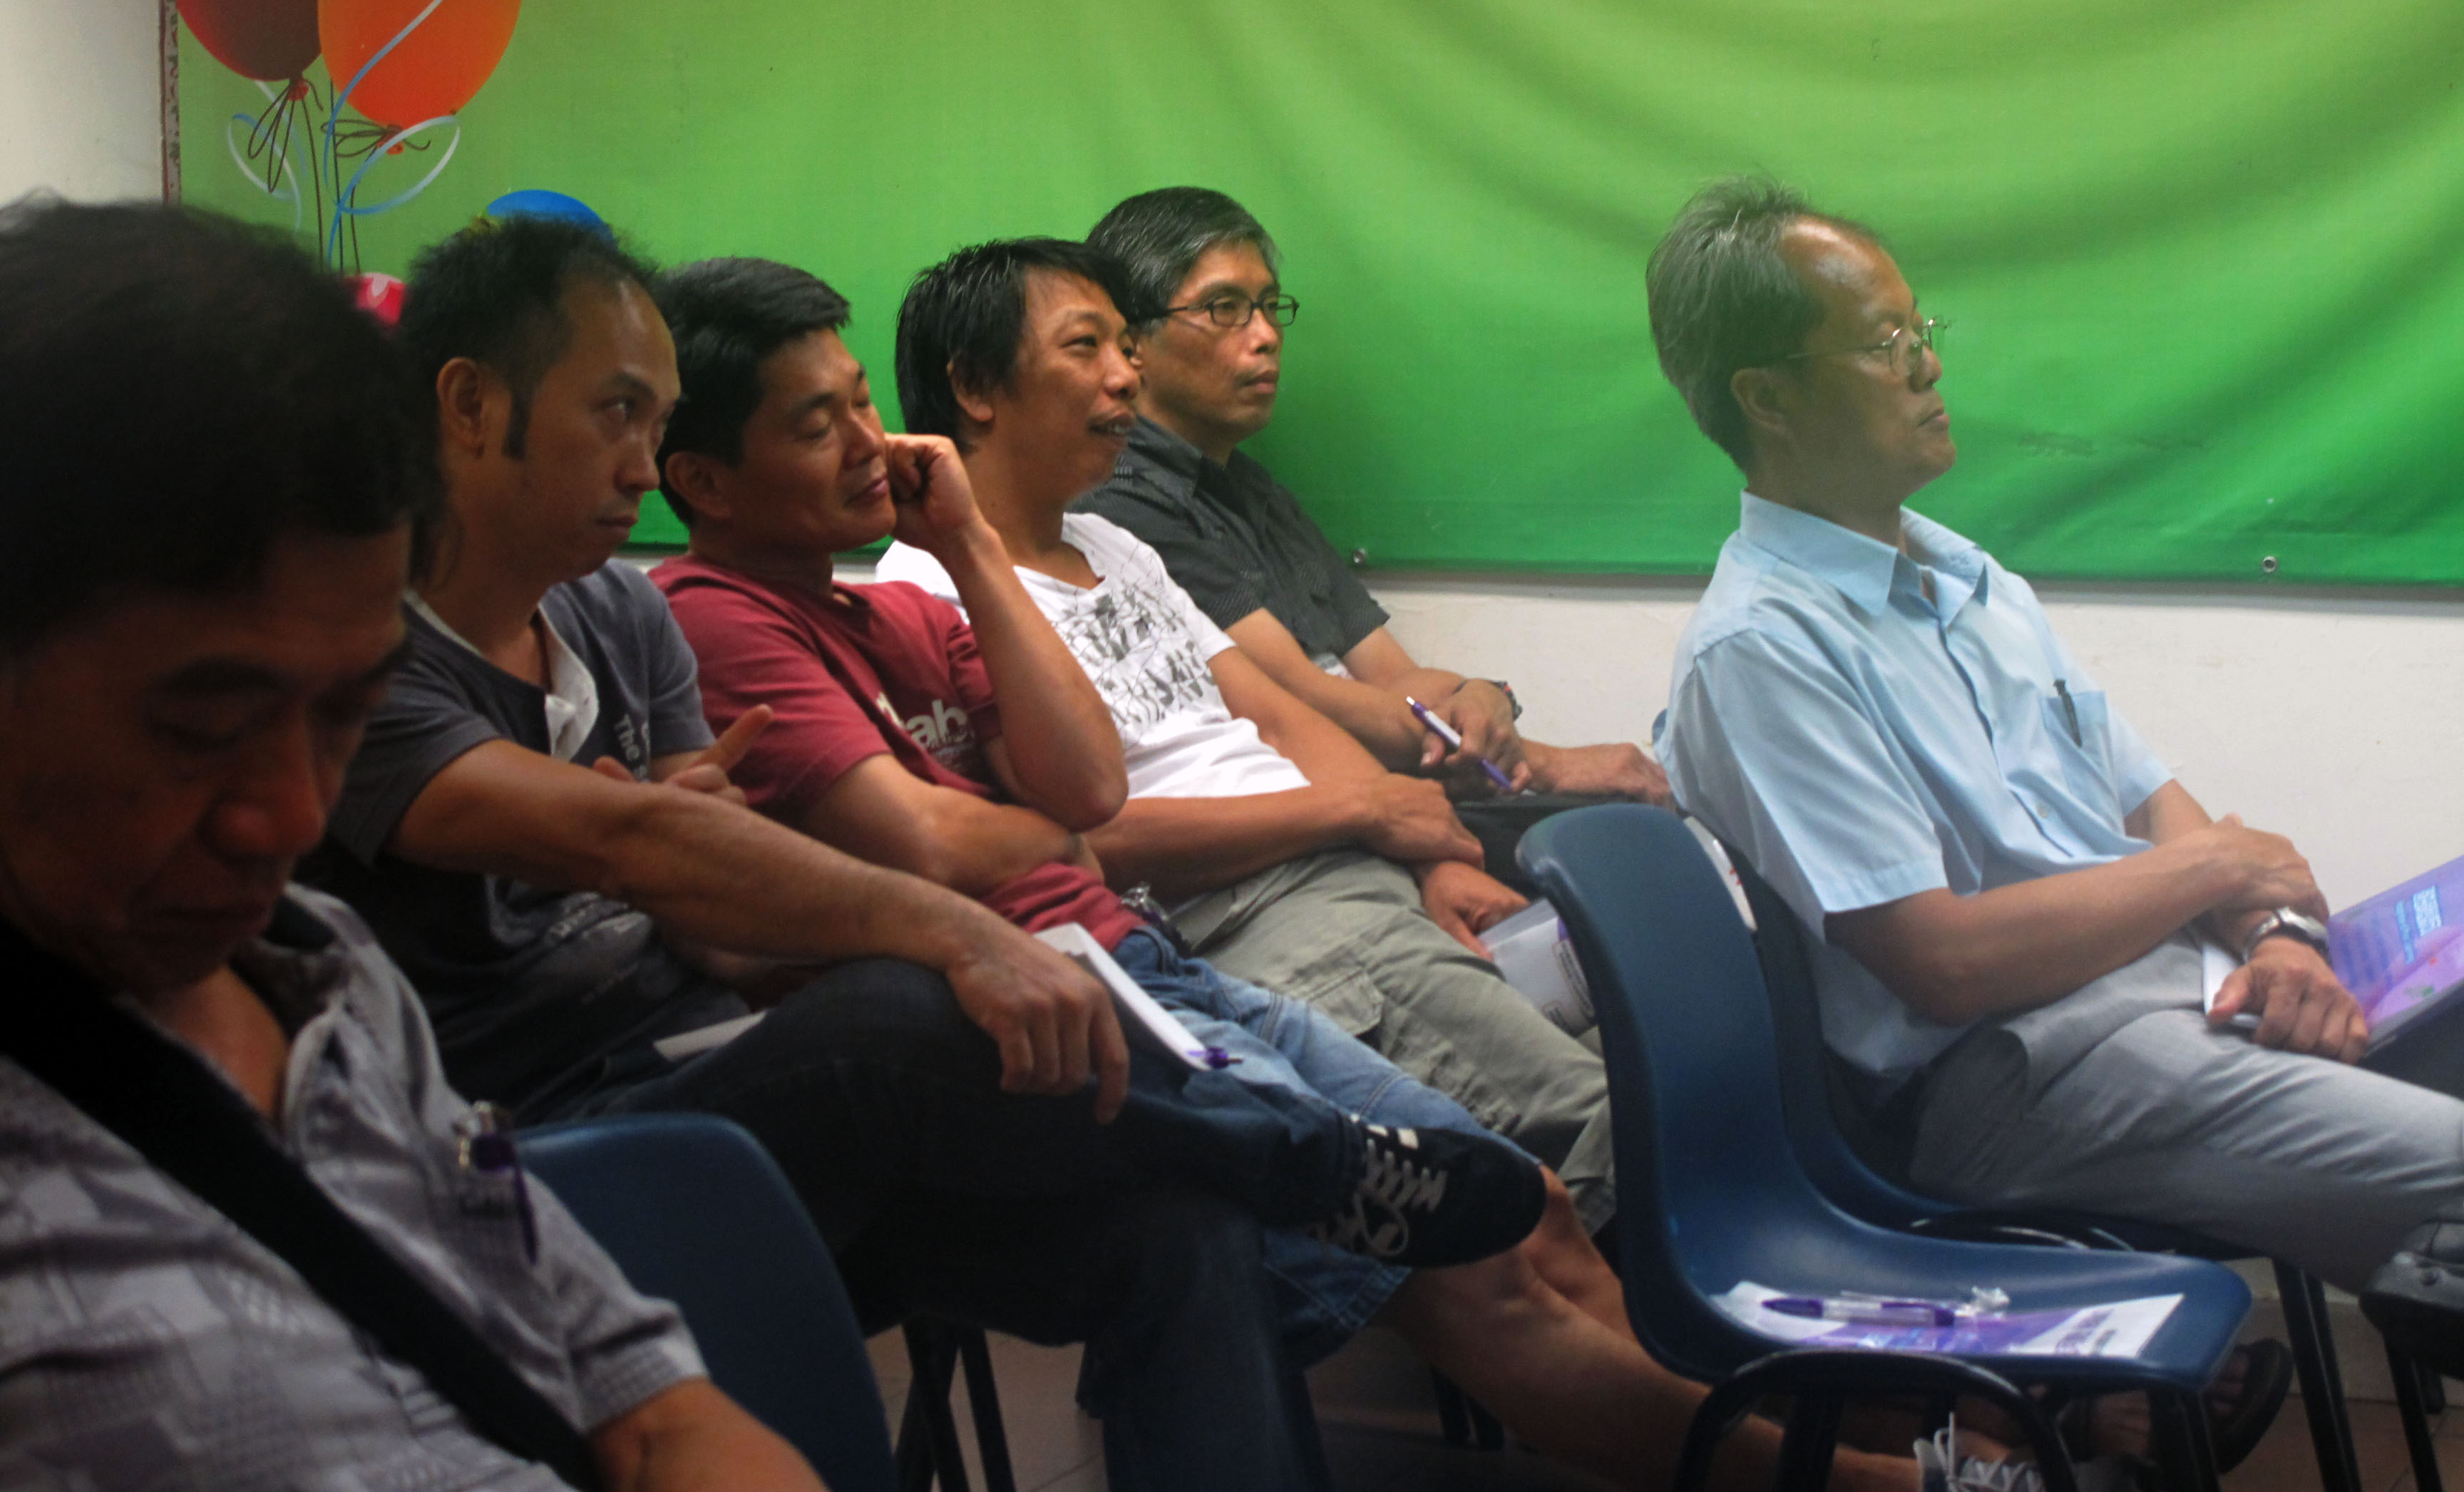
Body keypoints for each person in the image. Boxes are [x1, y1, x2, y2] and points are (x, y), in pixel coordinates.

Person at [650, 252, 1927, 1492]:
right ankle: (1877, 1456)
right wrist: (1051, 817)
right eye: (818, 424)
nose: (869, 443)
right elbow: (982, 839)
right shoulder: (728, 610)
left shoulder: (947, 596)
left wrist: (979, 564)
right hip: (1147, 951)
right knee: (1503, 1200)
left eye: (863, 405)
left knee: (1523, 1201)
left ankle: (1865, 1451)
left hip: (1151, 951)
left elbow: (1093, 791)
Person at [299, 215, 1397, 1492]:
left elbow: (713, 927)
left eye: (655, 420)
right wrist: (953, 926)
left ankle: (1269, 1154)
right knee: (905, 998)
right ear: (471, 406)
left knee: (1179, 1229)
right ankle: (1303, 1152)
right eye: (615, 413)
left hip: (727, 1085)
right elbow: (640, 840)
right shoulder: (360, 658)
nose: (643, 465)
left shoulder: (617, 615)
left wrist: (716, 862)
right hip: (531, 1151)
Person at [0, 198, 817, 1491]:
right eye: (201, 726)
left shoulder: (331, 979)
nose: (289, 816)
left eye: (344, 714)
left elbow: (653, 1409)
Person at [1643, 176, 2464, 1295]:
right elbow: (1945, 963)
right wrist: (2222, 871)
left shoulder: (1967, 578)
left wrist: (2277, 936)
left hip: (2185, 988)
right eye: (1884, 344)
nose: (1928, 367)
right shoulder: (1762, 650)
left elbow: (2153, 804)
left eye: (1921, 330)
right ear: (1768, 398)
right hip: (2019, 1072)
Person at [876, 238, 1621, 1235]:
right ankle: (1637, 1318)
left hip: (1354, 878)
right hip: (1243, 919)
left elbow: (1275, 715)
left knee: (1653, 1049)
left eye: (1125, 346)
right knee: (1613, 1122)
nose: (1124, 375)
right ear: (975, 388)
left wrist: (1430, 856)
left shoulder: (1112, 542)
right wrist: (1356, 813)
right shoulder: (925, 595)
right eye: (1086, 346)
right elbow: (1073, 844)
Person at [1079, 185, 1667, 803]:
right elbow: (1304, 701)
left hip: (1391, 781)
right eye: (1224, 308)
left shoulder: (1254, 490)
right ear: (1131, 344)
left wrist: (1477, 697)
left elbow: (1392, 674)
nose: (1266, 335)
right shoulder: (1119, 506)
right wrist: (1553, 766)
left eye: (1270, 306)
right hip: (1302, 807)